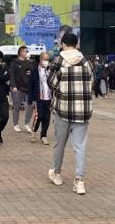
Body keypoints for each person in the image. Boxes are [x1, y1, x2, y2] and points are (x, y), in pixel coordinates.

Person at [47, 29, 93, 195]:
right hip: (82, 111)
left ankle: (56, 173)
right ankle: (79, 181)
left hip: (63, 109)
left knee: (60, 144)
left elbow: (51, 82)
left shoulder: (59, 60)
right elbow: (91, 83)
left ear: (63, 44)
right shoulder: (86, 62)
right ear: (77, 45)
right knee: (80, 147)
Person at [28, 51, 52, 145]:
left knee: (47, 117)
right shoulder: (34, 70)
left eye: (48, 60)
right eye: (45, 59)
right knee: (39, 116)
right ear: (41, 60)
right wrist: (31, 99)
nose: (46, 61)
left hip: (48, 97)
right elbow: (30, 85)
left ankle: (43, 136)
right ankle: (34, 131)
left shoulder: (50, 70)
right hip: (39, 97)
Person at [9, 45, 34, 132]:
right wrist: (13, 86)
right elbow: (11, 75)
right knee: (16, 105)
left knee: (30, 105)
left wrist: (30, 72)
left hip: (28, 87)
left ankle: (27, 123)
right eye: (24, 51)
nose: (26, 53)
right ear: (20, 52)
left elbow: (33, 72)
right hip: (17, 87)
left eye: (27, 51)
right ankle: (15, 124)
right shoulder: (14, 62)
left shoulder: (29, 62)